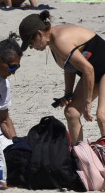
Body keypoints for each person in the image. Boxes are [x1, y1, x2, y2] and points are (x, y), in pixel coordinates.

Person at [20, 11, 105, 141]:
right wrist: (68, 94)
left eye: (30, 43)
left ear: (39, 34)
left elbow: (88, 69)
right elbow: (69, 67)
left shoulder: (60, 40)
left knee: (101, 116)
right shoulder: (52, 41)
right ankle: (80, 155)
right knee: (71, 113)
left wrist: (88, 103)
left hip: (98, 71)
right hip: (95, 73)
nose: (31, 47)